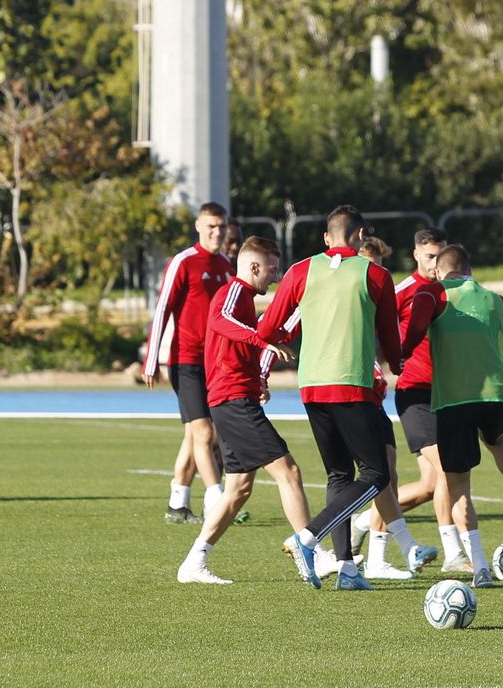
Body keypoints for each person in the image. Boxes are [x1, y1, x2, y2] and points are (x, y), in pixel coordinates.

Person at [370, 228, 503, 569]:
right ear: (417, 254)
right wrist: (382, 366)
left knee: (429, 485)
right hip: (417, 394)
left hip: (453, 393)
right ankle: (453, 554)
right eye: (429, 257)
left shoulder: (453, 293)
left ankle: (363, 523)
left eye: (439, 257)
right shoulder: (405, 291)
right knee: (450, 476)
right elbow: (372, 330)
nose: (435, 264)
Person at [401, 245, 503, 588]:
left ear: (439, 271)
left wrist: (398, 356)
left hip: (454, 400)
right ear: (470, 269)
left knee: (459, 486)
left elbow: (415, 331)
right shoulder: (495, 298)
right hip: (497, 395)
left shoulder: (431, 294)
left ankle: (479, 566)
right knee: (498, 441)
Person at [257, 205, 403, 591]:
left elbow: (269, 327)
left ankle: (347, 569)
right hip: (351, 384)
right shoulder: (375, 274)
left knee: (339, 474)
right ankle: (307, 537)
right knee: (376, 474)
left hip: (311, 386)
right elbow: (390, 336)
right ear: (360, 236)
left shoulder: (301, 270)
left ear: (326, 238)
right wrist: (397, 363)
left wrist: (289, 342)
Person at [177, 237, 309, 583]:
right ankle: (313, 550)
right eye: (271, 269)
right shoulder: (233, 292)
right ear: (253, 267)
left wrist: (257, 383)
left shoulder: (248, 302)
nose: (275, 277)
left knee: (238, 489)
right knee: (289, 472)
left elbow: (236, 351)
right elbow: (219, 320)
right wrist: (262, 339)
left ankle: (194, 562)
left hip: (236, 397)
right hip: (231, 401)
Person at [318, 236, 439, 581]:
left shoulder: (377, 287)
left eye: (382, 267)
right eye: (374, 266)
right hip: (350, 390)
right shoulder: (347, 291)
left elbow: (386, 338)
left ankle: (377, 557)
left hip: (372, 394)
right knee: (367, 473)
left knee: (387, 472)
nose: (379, 273)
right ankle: (317, 537)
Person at [143, 202, 234, 524]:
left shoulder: (225, 265)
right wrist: (151, 359)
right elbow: (163, 308)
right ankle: (216, 500)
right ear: (198, 226)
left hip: (217, 363)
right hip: (186, 361)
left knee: (194, 437)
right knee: (204, 433)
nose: (217, 232)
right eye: (211, 226)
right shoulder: (183, 262)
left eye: (221, 226)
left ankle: (177, 504)